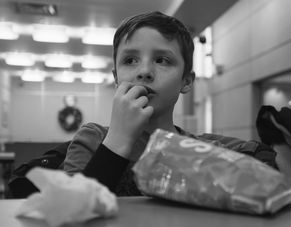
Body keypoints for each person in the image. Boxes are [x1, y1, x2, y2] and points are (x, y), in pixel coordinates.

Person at [63, 11, 277, 196]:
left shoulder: (205, 152)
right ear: (116, 77)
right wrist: (119, 138)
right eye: (130, 60)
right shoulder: (92, 139)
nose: (145, 72)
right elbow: (71, 215)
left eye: (162, 60)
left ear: (186, 81)